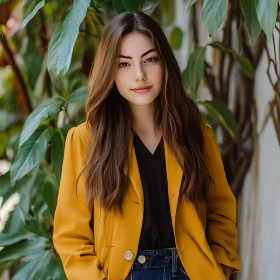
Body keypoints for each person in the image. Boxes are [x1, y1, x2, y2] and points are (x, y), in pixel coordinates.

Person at [53, 12, 241, 280]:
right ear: (110, 71)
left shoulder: (196, 134)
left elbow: (221, 211)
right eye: (124, 64)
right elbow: (71, 236)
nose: (139, 75)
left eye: (150, 60)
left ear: (165, 64)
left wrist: (220, 267)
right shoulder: (85, 140)